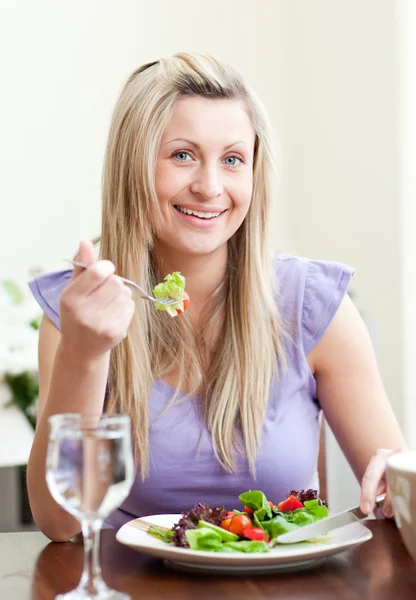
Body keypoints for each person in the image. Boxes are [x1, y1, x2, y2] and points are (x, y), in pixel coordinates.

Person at [27, 52, 406, 542]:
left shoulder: (314, 307)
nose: (210, 187)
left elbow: (398, 496)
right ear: (133, 168)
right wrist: (85, 352)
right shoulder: (77, 313)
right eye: (182, 155)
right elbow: (59, 525)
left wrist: (396, 483)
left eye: (232, 160)